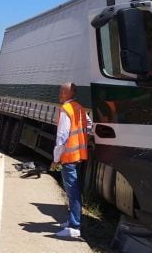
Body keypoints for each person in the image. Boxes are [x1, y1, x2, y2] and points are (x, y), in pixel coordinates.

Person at [50, 82, 90, 238]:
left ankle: (74, 227)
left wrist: (56, 159)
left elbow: (62, 137)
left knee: (72, 192)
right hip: (79, 155)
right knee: (74, 191)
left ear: (69, 94)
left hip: (69, 157)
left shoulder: (66, 110)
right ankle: (72, 221)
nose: (60, 94)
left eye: (62, 91)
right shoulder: (79, 108)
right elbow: (89, 124)